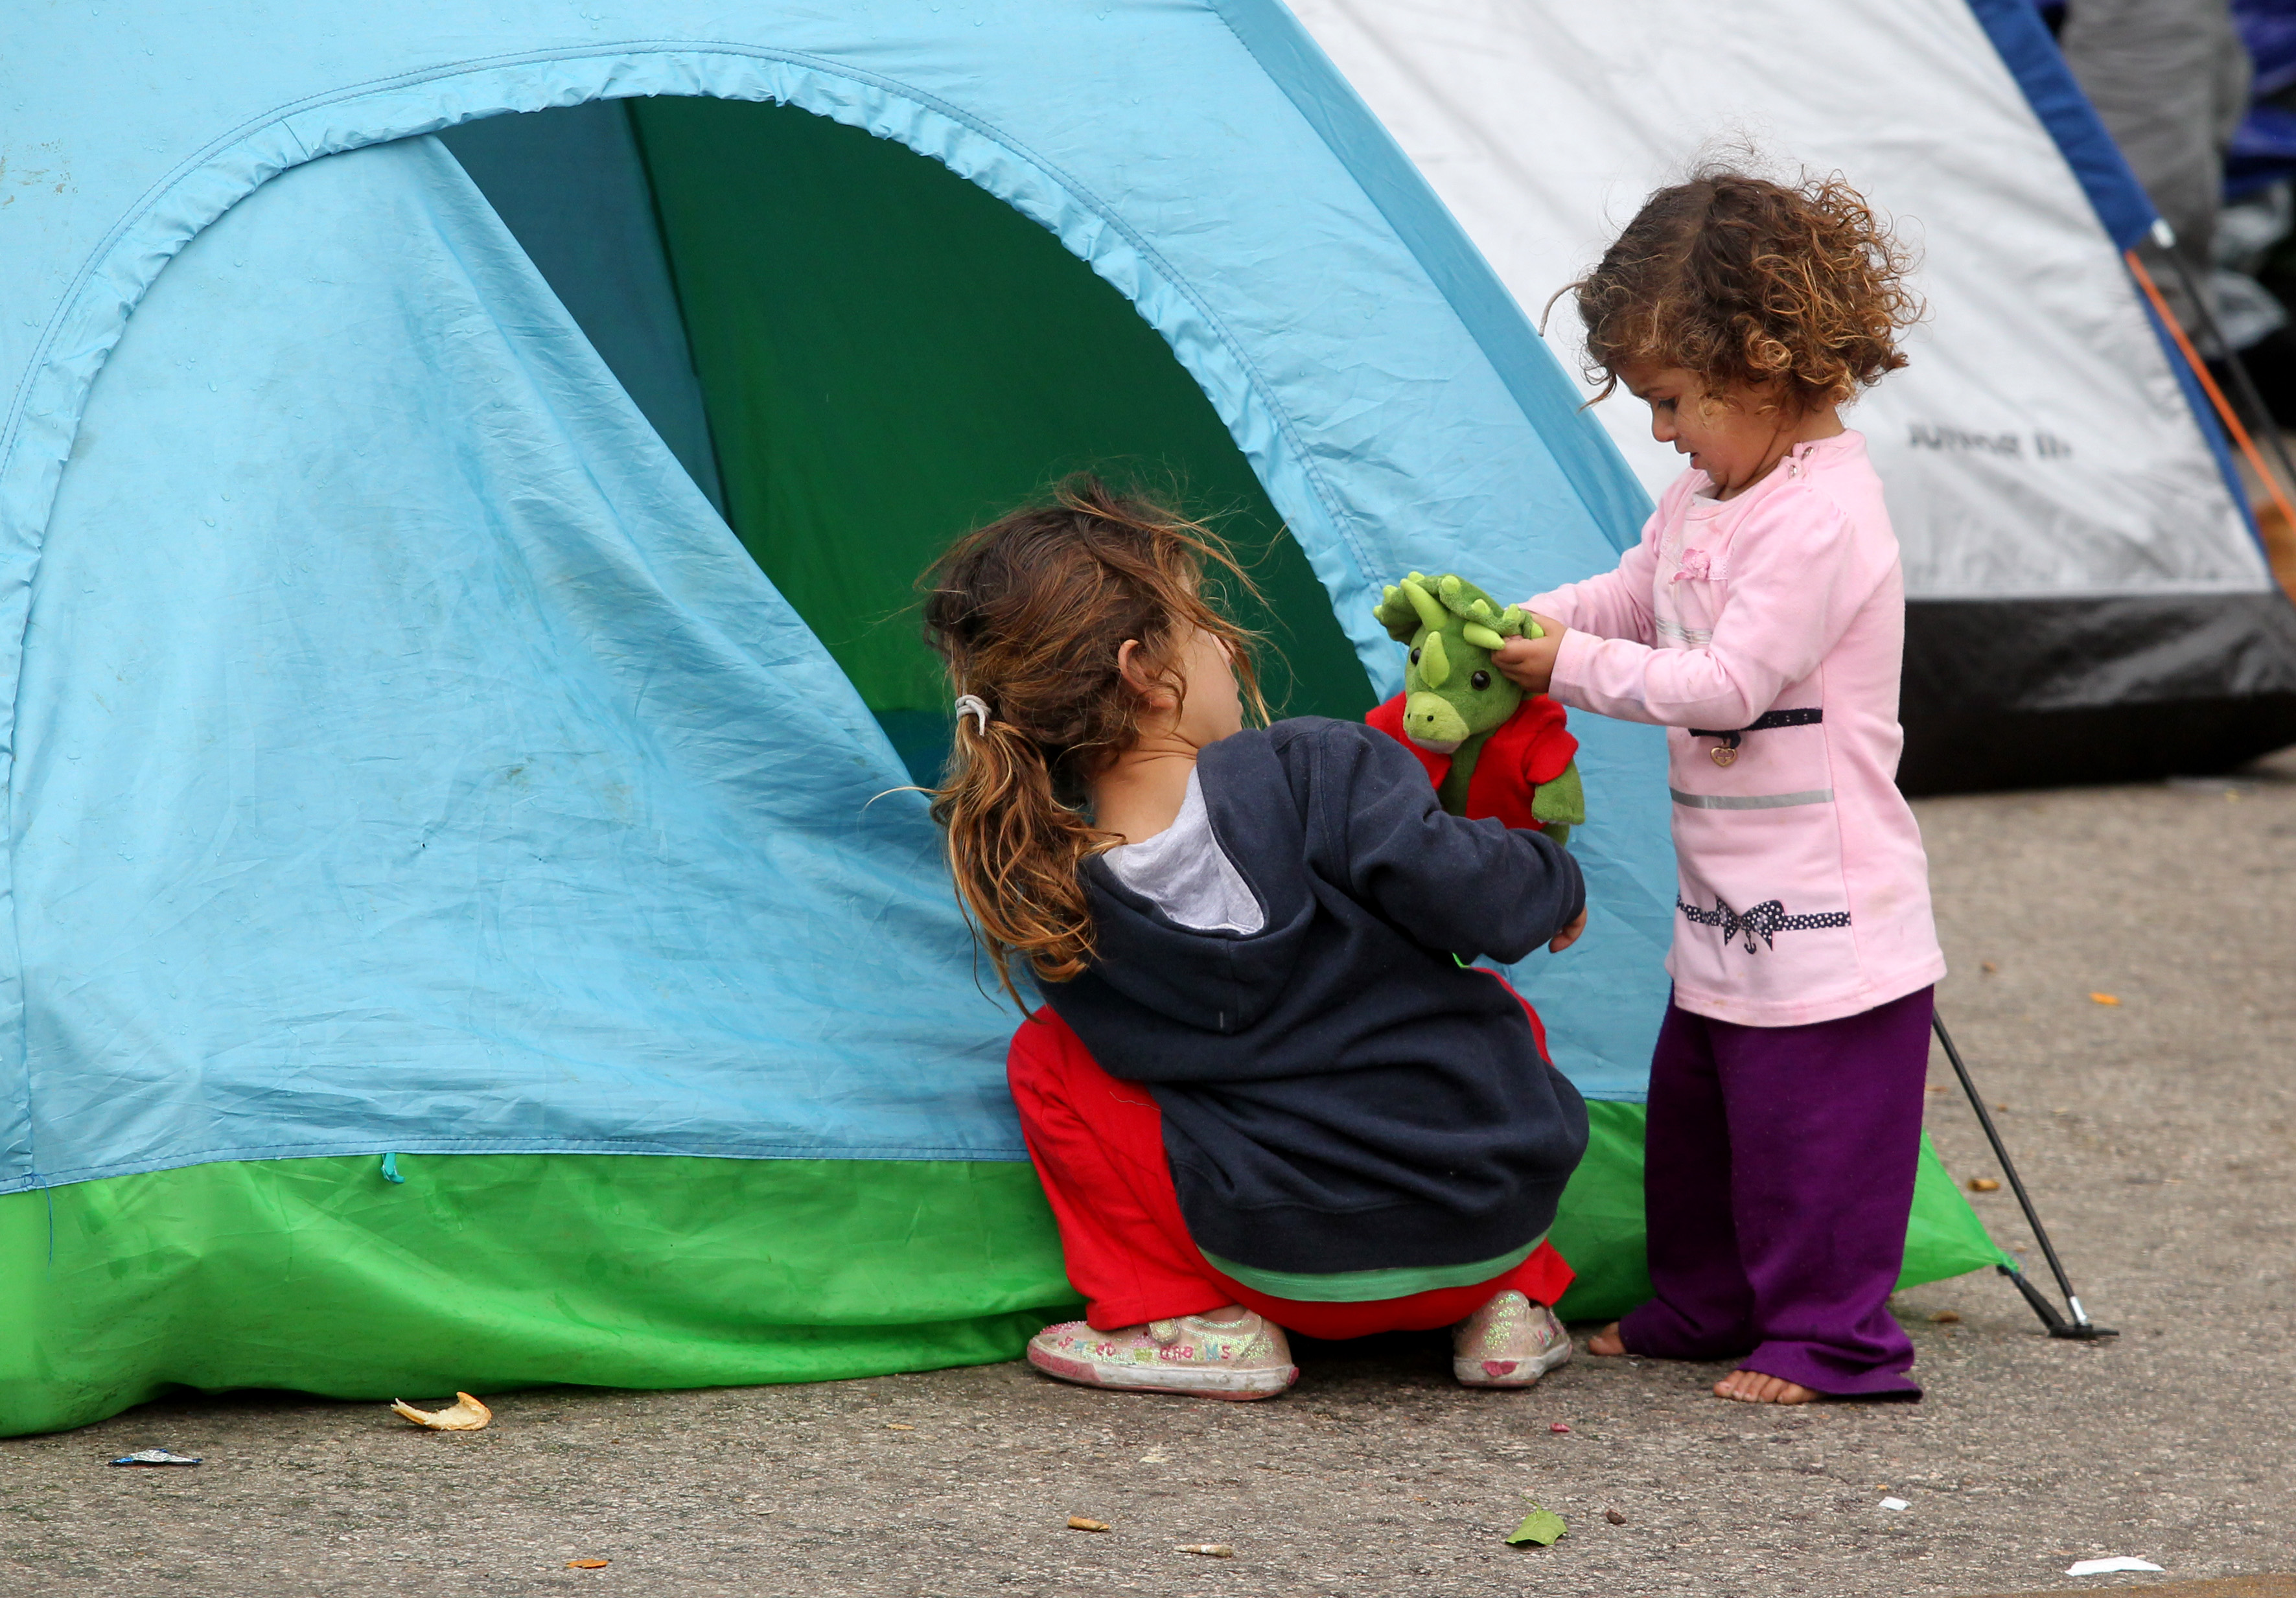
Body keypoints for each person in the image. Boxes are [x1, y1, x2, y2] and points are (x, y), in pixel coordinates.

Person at [922, 478, 1590, 1401]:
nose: (1228, 646)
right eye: (1203, 625)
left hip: (1282, 1266)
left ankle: (1193, 1320)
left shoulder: (1053, 898)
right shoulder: (1321, 765)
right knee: (1494, 1008)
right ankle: (1514, 1305)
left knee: (1047, 1056)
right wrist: (1553, 881)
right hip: (1487, 1232)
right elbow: (1483, 904)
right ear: (1145, 673)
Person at [1493, 169, 1942, 1404]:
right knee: (1699, 1120)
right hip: (1729, 901)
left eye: (1671, 400)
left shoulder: (1822, 519)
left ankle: (1831, 1338)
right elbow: (1635, 595)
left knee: (1813, 1142)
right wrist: (1526, 620)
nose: (1661, 433)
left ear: (1765, 361)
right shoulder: (1710, 492)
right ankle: (1706, 1302)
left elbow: (1731, 684)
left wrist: (1566, 667)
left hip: (1829, 911)